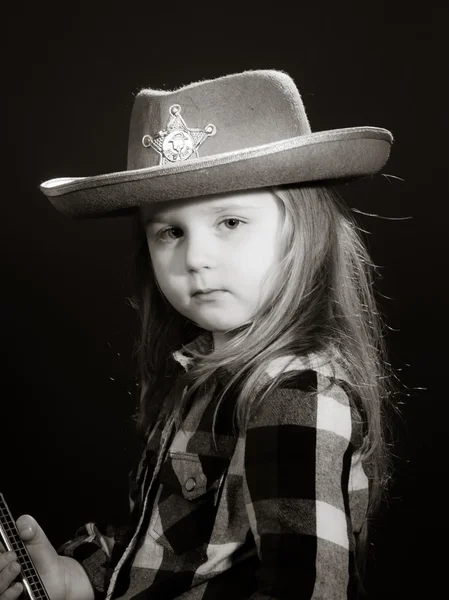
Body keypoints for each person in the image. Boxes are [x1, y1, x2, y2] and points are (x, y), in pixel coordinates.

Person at [0, 69, 395, 599]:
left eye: (230, 222)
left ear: (303, 232)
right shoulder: (201, 373)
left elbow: (303, 588)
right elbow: (170, 551)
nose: (196, 258)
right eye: (170, 232)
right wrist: (79, 579)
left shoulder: (297, 396)